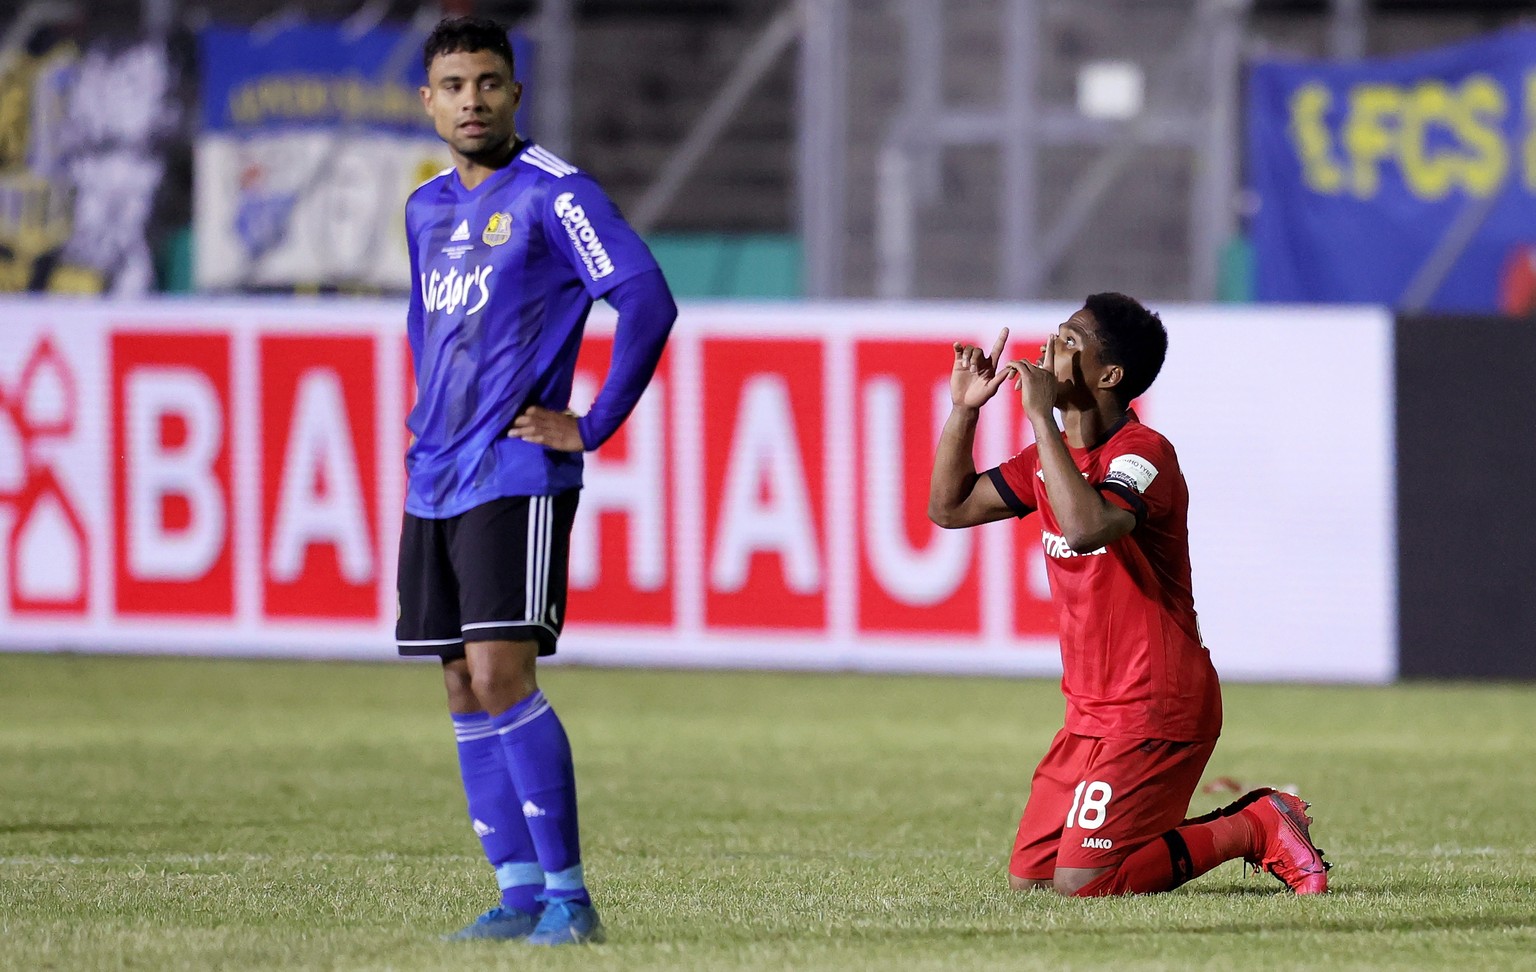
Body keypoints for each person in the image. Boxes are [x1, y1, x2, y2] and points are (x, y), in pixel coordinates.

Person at [396, 17, 676, 944]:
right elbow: (427, 331)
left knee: (500, 673)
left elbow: (645, 298)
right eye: (453, 85)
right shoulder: (426, 207)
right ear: (427, 100)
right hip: (434, 475)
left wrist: (589, 423)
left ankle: (570, 897)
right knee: (460, 686)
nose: (471, 100)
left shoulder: (558, 197)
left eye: (488, 83)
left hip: (515, 472)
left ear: (517, 93)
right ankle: (518, 896)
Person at [927, 293, 1329, 897]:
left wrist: (1041, 417)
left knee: (1086, 884)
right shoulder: (1050, 460)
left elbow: (1090, 529)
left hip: (1155, 706)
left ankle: (1257, 824)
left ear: (1109, 375)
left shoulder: (1144, 454)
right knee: (1031, 883)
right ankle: (1199, 831)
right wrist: (964, 411)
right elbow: (949, 509)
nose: (1048, 349)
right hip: (1089, 714)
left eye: (1069, 342)